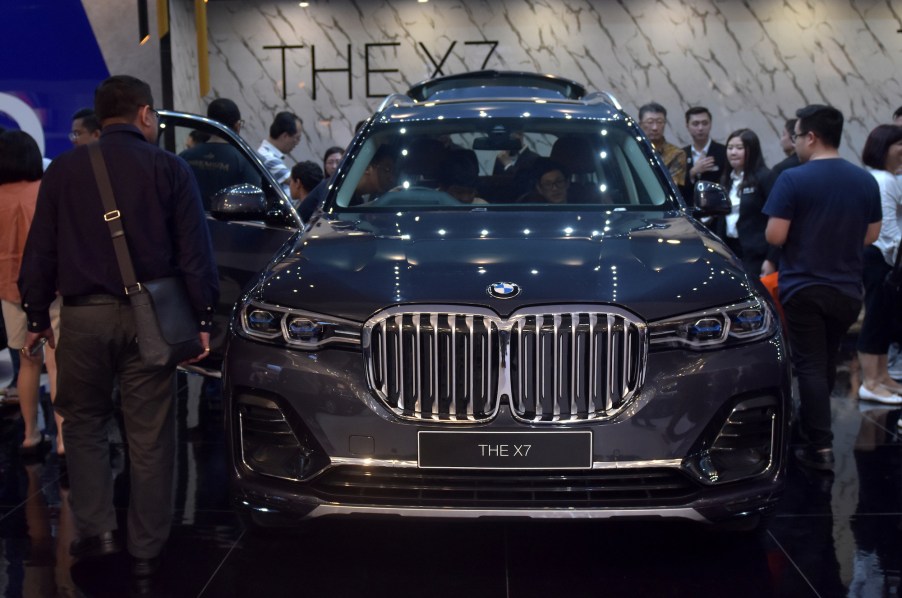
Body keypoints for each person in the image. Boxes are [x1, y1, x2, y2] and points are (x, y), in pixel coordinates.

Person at [18, 75, 219, 578]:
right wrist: (203, 319)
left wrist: (39, 315)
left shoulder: (62, 171)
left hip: (83, 318)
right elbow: (195, 253)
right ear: (146, 114)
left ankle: (98, 531)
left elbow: (40, 248)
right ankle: (147, 546)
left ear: (100, 116)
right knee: (149, 434)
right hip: (151, 319)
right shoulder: (170, 168)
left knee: (83, 424)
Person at [763, 104, 882, 471]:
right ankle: (814, 427)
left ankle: (820, 446)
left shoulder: (794, 179)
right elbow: (872, 235)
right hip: (847, 290)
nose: (796, 142)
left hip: (805, 286)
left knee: (810, 366)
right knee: (826, 361)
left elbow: (775, 234)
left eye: (797, 135)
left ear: (811, 137)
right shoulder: (865, 180)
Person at [0, 130, 61, 456]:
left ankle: (29, 435)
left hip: (9, 289)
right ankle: (64, 440)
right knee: (57, 362)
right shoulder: (46, 191)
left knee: (27, 363)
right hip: (53, 288)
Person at [855, 125, 902, 405]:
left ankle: (882, 376)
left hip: (886, 258)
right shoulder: (883, 180)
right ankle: (871, 382)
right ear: (884, 148)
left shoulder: (887, 178)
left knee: (883, 319)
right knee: (875, 318)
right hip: (880, 258)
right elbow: (887, 231)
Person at [180, 98, 261, 209]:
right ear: (237, 126)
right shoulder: (246, 160)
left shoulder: (184, 157)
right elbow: (254, 203)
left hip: (192, 223)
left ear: (209, 124)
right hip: (229, 225)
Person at [713, 128, 771, 276]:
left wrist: (771, 259)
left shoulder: (765, 177)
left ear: (752, 150)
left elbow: (775, 218)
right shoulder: (726, 179)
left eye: (739, 148)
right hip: (729, 251)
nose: (733, 153)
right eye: (730, 148)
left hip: (756, 254)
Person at [639, 102, 687, 191]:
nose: (655, 127)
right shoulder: (633, 151)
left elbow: (672, 186)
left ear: (665, 124)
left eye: (659, 122)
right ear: (640, 124)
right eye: (650, 122)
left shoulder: (676, 153)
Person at [682, 106, 727, 203]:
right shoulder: (680, 154)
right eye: (695, 124)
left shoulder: (724, 152)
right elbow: (676, 187)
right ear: (687, 126)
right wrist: (692, 172)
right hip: (689, 211)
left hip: (717, 211)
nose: (700, 128)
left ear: (710, 125)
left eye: (705, 123)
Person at [258, 111, 302, 194]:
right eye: (297, 138)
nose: (297, 143)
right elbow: (298, 183)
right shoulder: (267, 157)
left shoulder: (270, 154)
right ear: (285, 136)